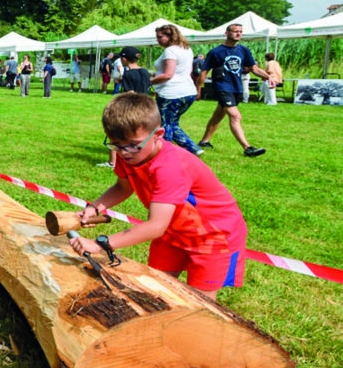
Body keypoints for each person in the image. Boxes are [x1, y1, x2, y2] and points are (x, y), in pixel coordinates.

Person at [71, 93, 248, 301]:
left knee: (199, 305)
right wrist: (94, 208)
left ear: (158, 134)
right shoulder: (129, 154)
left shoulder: (170, 167)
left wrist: (101, 244)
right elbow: (122, 187)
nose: (124, 153)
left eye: (133, 144)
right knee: (155, 292)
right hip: (172, 233)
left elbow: (155, 226)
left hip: (213, 238)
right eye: (116, 145)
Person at [196, 23, 271, 157]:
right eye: (235, 31)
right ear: (227, 33)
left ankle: (204, 141)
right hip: (222, 87)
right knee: (235, 115)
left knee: (219, 115)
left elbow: (254, 68)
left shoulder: (243, 50)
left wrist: (268, 77)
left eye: (240, 31)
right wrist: (198, 90)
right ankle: (247, 148)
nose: (238, 34)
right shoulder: (216, 52)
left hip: (237, 88)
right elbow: (204, 72)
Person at [150, 24, 203, 157]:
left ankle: (164, 154)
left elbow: (168, 74)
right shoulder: (187, 49)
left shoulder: (170, 51)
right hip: (188, 92)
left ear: (170, 36)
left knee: (164, 125)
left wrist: (148, 82)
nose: (158, 40)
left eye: (160, 37)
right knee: (173, 123)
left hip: (171, 93)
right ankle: (194, 149)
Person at [98, 48, 152, 168]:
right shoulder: (145, 71)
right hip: (144, 107)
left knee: (115, 133)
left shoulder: (128, 73)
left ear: (124, 59)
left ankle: (112, 162)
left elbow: (131, 93)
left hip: (131, 108)